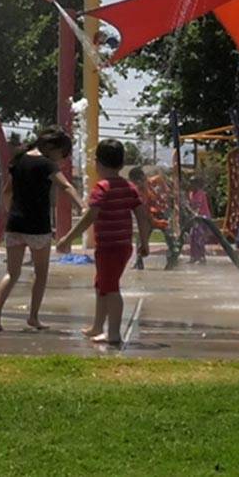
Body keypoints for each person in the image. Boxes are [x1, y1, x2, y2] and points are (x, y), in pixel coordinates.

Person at [0, 127, 84, 333]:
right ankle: (33, 317)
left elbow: (6, 192)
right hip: (38, 227)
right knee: (40, 274)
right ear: (51, 147)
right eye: (62, 154)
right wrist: (81, 205)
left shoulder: (19, 160)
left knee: (12, 273)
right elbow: (66, 186)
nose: (62, 159)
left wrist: (11, 212)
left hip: (15, 225)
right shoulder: (47, 164)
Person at [57, 139, 151, 345]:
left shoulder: (102, 187)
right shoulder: (129, 187)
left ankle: (114, 333)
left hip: (109, 248)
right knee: (102, 285)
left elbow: (89, 217)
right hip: (122, 247)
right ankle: (97, 326)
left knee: (111, 289)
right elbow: (142, 216)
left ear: (97, 163)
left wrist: (67, 238)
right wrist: (144, 242)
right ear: (121, 163)